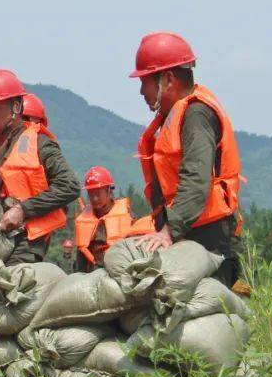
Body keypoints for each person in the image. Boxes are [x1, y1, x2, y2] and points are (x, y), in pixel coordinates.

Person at [131, 32, 243, 287]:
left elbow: (196, 177)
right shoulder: (173, 116)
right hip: (189, 230)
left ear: (167, 79)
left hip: (209, 237)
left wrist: (169, 231)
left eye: (144, 81)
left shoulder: (196, 116)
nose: (140, 91)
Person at [0, 69, 80, 263]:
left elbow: (70, 186)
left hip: (23, 243)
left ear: (15, 107)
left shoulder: (39, 144)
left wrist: (23, 210)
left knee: (10, 288)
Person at [72, 166, 154, 271]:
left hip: (122, 268)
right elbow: (81, 258)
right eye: (91, 194)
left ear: (109, 191)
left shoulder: (127, 215)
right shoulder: (83, 220)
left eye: (98, 194)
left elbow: (137, 246)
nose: (94, 198)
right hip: (94, 273)